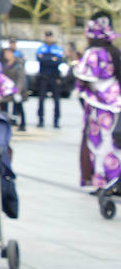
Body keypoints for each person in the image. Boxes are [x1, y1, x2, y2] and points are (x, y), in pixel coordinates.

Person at [75, 17, 121, 191]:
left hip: (99, 106)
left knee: (99, 144)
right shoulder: (115, 53)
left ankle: (101, 181)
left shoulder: (92, 53)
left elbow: (84, 79)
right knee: (116, 143)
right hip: (116, 104)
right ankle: (116, 179)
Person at [36, 28, 66, 128]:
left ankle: (56, 121)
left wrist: (47, 59)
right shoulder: (41, 48)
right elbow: (40, 59)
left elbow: (59, 61)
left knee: (56, 100)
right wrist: (51, 59)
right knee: (41, 100)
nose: (49, 38)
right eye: (47, 36)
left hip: (54, 77)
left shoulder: (57, 48)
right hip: (43, 77)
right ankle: (40, 120)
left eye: (50, 36)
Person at [1, 47, 27, 131]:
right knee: (3, 105)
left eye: (8, 53)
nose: (6, 55)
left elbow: (21, 78)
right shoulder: (5, 64)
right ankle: (5, 122)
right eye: (5, 54)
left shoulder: (18, 64)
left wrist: (18, 91)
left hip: (17, 88)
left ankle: (22, 124)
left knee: (19, 107)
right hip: (8, 88)